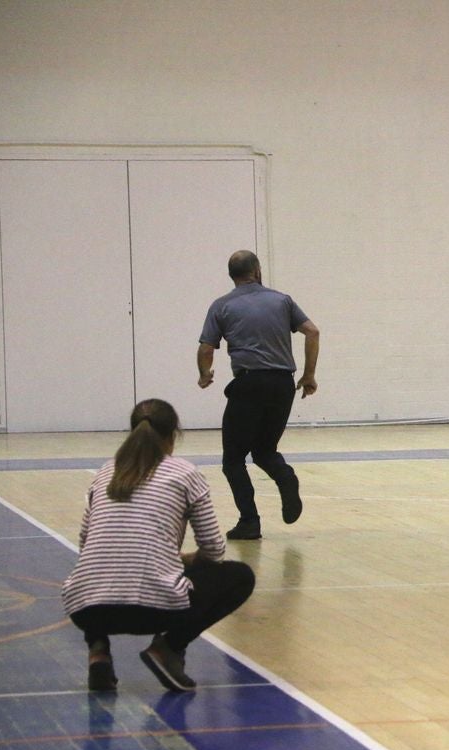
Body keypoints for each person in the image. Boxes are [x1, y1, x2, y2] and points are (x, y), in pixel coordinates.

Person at [61, 399, 256, 692]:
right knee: (240, 576)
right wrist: (182, 561)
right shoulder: (184, 473)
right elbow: (214, 550)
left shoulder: (105, 473)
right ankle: (167, 649)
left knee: (99, 568)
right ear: (172, 436)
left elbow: (86, 543)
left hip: (85, 608)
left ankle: (98, 653)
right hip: (156, 610)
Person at [197, 250, 320, 540]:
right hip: (282, 384)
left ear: (231, 275)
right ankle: (285, 478)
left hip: (249, 384)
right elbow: (312, 332)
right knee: (264, 450)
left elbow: (206, 347)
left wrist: (205, 374)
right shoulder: (282, 300)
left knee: (233, 459)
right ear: (257, 270)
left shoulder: (221, 306)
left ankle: (249, 522)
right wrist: (309, 374)